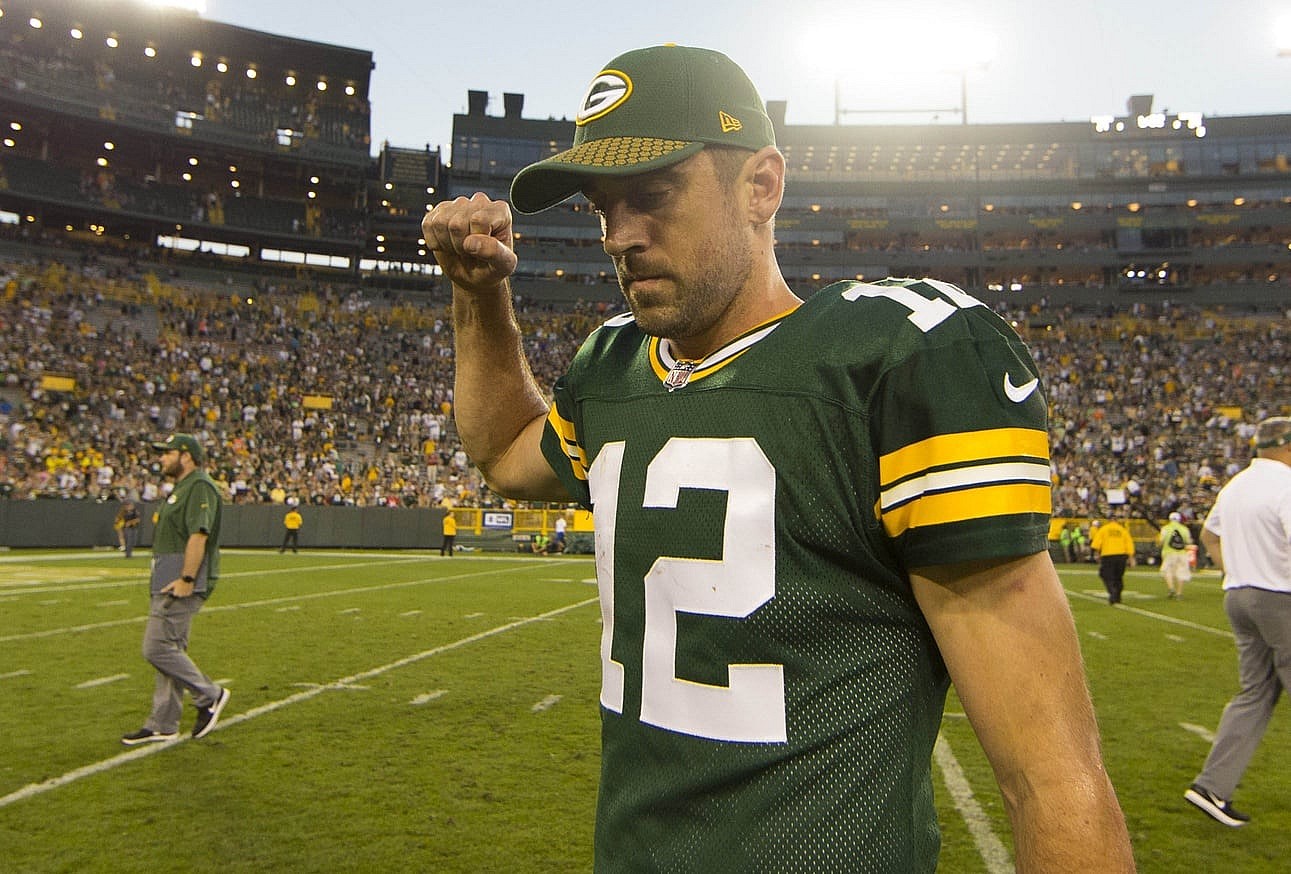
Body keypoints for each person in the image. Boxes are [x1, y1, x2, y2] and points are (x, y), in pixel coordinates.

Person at [424, 44, 1133, 872]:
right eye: (602, 209)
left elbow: (1050, 777)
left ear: (760, 186)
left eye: (653, 195)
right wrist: (478, 296)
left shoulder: (895, 357)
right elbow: (505, 452)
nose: (620, 237)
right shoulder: (611, 367)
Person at [1185, 416, 1291, 827]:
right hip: (1280, 597)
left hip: (1240, 595)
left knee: (1255, 693)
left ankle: (1212, 786)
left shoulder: (1236, 485)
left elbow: (1209, 535)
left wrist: (1234, 569)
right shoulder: (1285, 485)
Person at [121, 434, 230, 745]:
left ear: (187, 456)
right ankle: (164, 723)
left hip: (180, 577)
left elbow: (199, 535)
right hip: (168, 573)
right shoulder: (183, 488)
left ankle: (209, 695)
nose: (162, 458)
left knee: (156, 647)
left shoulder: (199, 486)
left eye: (168, 453)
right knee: (170, 649)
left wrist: (187, 578)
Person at [1092, 514, 1136, 604]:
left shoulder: (1104, 529)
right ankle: (1118, 596)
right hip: (1121, 555)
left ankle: (1112, 591)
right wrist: (1131, 558)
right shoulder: (1122, 530)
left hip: (1108, 555)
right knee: (1118, 577)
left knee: (1106, 575)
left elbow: (1096, 543)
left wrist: (1096, 554)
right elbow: (1129, 544)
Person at [1158, 511, 1194, 599]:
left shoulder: (1165, 528)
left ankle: (1171, 588)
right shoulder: (1184, 529)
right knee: (1181, 572)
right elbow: (1188, 541)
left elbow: (1161, 541)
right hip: (1181, 553)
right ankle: (1179, 593)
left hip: (1168, 553)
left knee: (1168, 571)